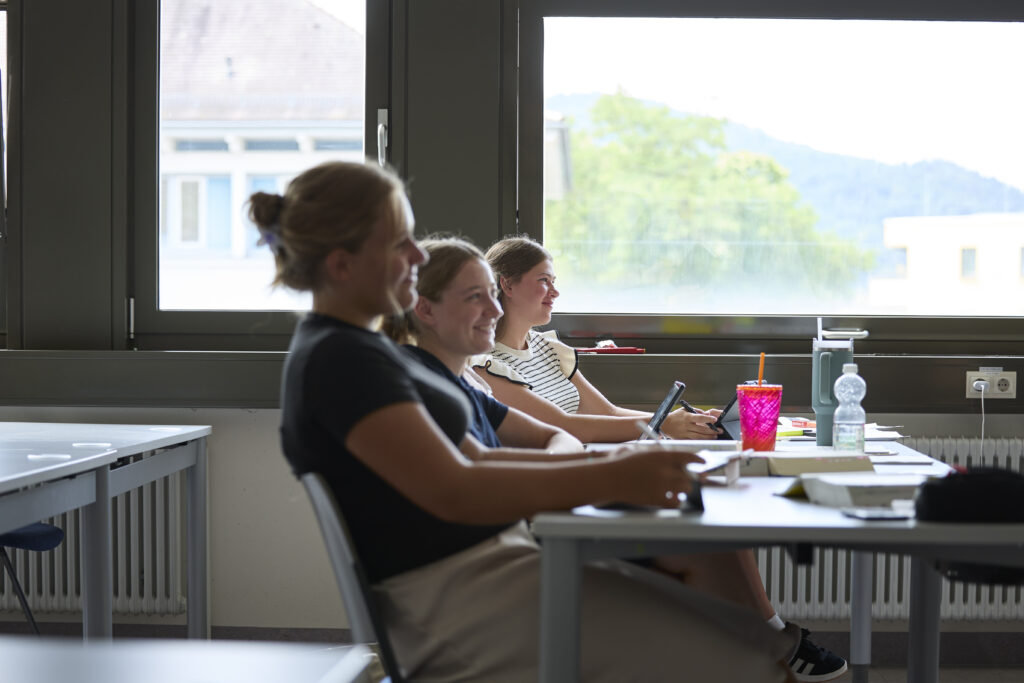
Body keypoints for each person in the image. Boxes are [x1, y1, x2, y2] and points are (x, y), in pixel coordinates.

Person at [252, 161, 797, 683]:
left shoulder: (363, 352)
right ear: (342, 264)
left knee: (736, 634)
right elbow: (457, 490)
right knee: (742, 660)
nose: (418, 255)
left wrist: (622, 459)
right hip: (461, 604)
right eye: (399, 241)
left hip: (492, 569)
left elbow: (477, 460)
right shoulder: (340, 361)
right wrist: (613, 475)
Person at [475, 234, 848, 683]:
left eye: (554, 282)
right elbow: (564, 427)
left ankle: (767, 640)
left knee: (717, 509)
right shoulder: (487, 366)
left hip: (595, 475)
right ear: (507, 286)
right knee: (707, 518)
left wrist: (680, 418)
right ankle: (769, 646)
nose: (554, 293)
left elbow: (607, 413)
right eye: (543, 282)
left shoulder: (549, 351)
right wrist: (660, 426)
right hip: (566, 496)